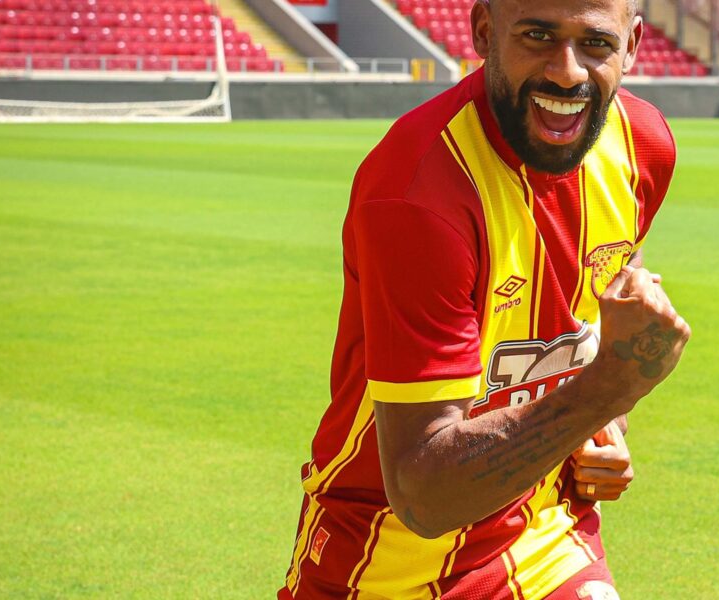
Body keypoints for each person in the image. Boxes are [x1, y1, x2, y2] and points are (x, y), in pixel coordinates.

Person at [279, 0, 690, 597]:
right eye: (538, 35)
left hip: (549, 533)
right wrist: (608, 389)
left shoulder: (641, 144)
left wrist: (604, 428)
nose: (567, 71)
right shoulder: (419, 193)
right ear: (483, 31)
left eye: (596, 44)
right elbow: (423, 495)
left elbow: (604, 304)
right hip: (389, 562)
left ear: (631, 45)